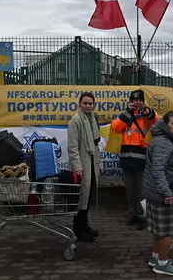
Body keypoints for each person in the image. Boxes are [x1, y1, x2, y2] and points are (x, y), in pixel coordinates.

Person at [142, 111, 173, 276]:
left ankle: (155, 257)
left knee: (157, 229)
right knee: (167, 231)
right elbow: (158, 170)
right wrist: (167, 193)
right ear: (165, 125)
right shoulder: (164, 143)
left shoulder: (159, 140)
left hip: (153, 191)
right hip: (162, 193)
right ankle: (162, 263)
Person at [111, 89, 159, 229]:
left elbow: (156, 121)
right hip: (127, 159)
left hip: (142, 160)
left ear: (143, 102)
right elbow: (116, 127)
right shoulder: (126, 115)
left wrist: (147, 111)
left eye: (139, 100)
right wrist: (127, 112)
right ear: (130, 101)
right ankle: (132, 214)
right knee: (130, 189)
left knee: (142, 190)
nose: (137, 103)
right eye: (134, 100)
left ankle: (142, 215)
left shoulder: (146, 116)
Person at [67, 92, 101, 242]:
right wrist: (77, 167)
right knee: (81, 198)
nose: (88, 106)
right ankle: (78, 229)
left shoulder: (92, 119)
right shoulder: (76, 120)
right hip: (82, 165)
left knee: (87, 197)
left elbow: (95, 143)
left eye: (90, 103)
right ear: (79, 104)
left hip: (92, 163)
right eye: (85, 103)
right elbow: (72, 147)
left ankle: (85, 225)